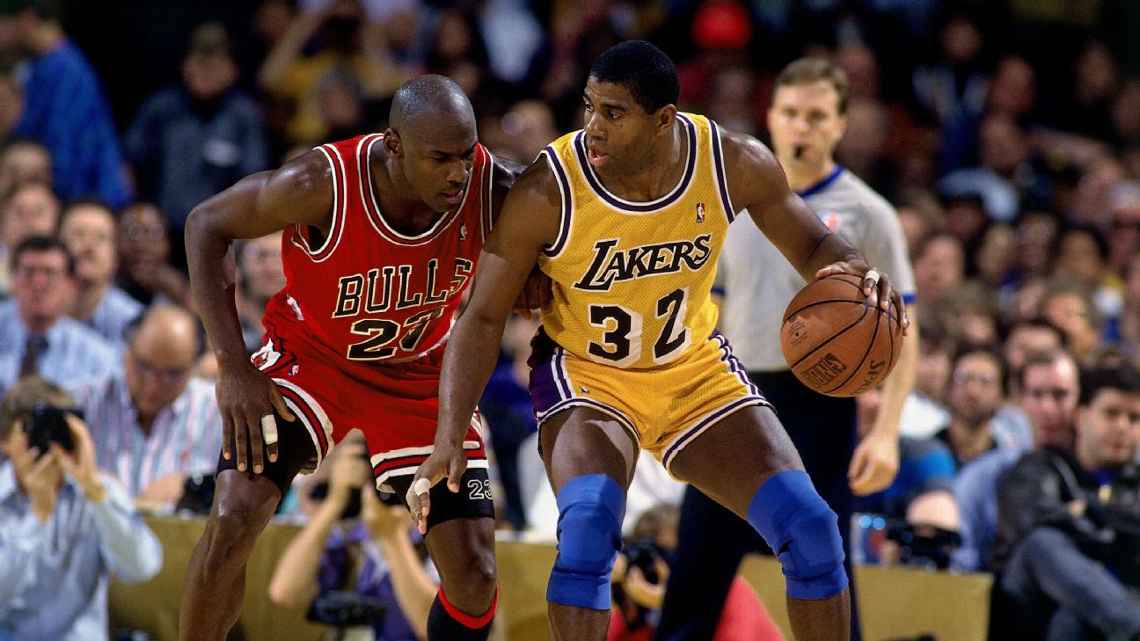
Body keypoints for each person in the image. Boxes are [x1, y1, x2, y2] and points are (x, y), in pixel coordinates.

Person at [415, 41, 907, 641]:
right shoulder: (550, 188)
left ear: (663, 119)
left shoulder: (732, 163)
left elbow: (813, 246)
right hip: (589, 375)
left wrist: (855, 273)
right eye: (589, 106)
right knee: (588, 533)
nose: (593, 126)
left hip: (690, 369)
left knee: (812, 530)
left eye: (614, 112)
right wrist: (448, 435)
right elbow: (482, 317)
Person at [180, 75, 525, 641]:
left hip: (421, 370)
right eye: (440, 159)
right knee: (233, 516)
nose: (459, 173)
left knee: (476, 574)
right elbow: (205, 224)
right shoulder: (320, 183)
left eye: (466, 155)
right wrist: (233, 368)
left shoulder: (495, 187)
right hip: (314, 358)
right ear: (394, 145)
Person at [653, 57, 919, 641]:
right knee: (696, 572)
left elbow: (906, 326)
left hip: (821, 404)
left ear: (840, 124)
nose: (802, 126)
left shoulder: (869, 213)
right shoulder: (731, 201)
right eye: (791, 113)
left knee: (825, 570)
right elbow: (704, 307)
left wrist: (886, 432)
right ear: (770, 117)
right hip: (732, 392)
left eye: (817, 116)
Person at [0, 376, 162, 641]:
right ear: (5, 438)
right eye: (36, 430)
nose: (50, 444)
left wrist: (94, 492)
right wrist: (36, 518)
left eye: (60, 430)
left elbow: (143, 567)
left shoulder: (99, 491)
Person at [993, 365, 1140, 641]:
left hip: (1099, 611)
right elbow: (1032, 525)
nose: (1122, 427)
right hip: (1030, 606)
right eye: (1111, 414)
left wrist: (1087, 509)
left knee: (1074, 617)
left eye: (1134, 418)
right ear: (1081, 417)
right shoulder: (1038, 468)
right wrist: (1111, 531)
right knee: (1042, 542)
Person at [269, 434, 436, 641]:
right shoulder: (349, 532)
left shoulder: (439, 538)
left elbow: (435, 628)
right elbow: (284, 593)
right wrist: (335, 501)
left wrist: (392, 538)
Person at [74, 305, 221, 507]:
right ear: (126, 352)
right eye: (143, 366)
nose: (153, 384)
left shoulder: (220, 414)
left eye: (172, 374)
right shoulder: (83, 404)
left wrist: (195, 487)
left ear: (195, 367)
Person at [952, 349, 1080, 573]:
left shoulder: (1099, 469)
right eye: (1036, 395)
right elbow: (963, 560)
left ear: (1080, 399)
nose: (1047, 408)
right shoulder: (984, 476)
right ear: (1019, 400)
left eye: (1060, 395)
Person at [0, 0, 130, 208]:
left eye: (5, 23)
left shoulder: (67, 70)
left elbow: (66, 147)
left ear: (27, 19)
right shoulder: (38, 67)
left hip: (83, 196)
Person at [0, 236, 117, 396]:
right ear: (13, 279)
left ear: (70, 284)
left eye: (50, 273)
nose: (39, 283)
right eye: (29, 272)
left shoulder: (96, 357)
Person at [59, 200, 142, 346]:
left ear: (116, 255)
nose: (89, 246)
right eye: (78, 235)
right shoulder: (31, 312)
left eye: (101, 237)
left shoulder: (136, 321)